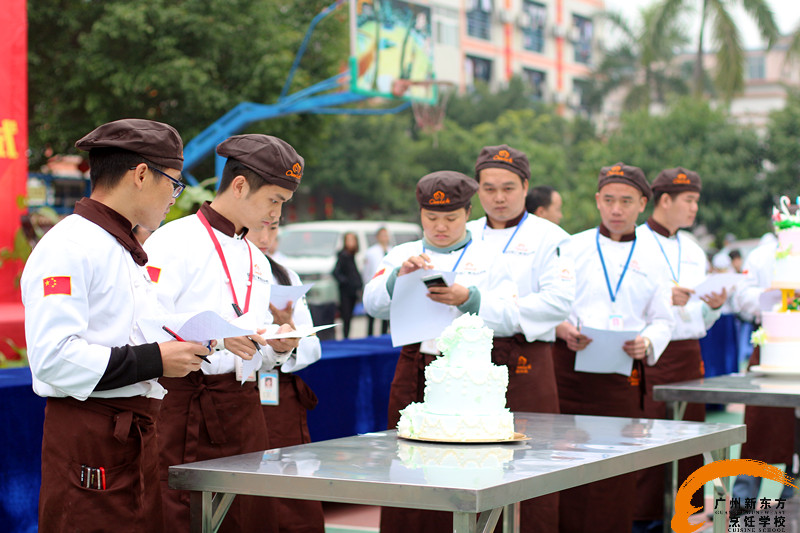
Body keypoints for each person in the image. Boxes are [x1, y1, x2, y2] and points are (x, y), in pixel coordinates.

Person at [20, 118, 210, 532]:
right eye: (174, 184)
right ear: (142, 174)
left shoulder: (121, 247)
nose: (174, 198)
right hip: (91, 433)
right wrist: (156, 359)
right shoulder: (69, 246)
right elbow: (54, 359)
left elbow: (130, 333)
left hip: (133, 432)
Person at [144, 134, 301, 533]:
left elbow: (251, 345)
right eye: (275, 200)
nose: (277, 213)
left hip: (243, 406)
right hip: (186, 408)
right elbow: (146, 323)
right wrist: (215, 338)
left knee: (250, 515)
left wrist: (276, 347)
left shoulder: (255, 255)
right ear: (240, 185)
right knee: (183, 514)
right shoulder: (172, 241)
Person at [363, 170, 522, 533]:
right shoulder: (403, 254)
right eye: (431, 218)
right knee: (406, 458)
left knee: (464, 463)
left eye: (450, 218)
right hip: (412, 366)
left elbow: (513, 315)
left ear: (468, 213)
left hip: (467, 374)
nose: (440, 227)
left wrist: (470, 298)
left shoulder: (490, 256)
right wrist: (397, 277)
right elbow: (371, 304)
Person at [553, 162, 673, 533]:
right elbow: (550, 305)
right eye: (608, 200)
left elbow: (663, 319)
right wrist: (563, 329)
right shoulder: (571, 247)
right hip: (570, 375)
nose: (616, 209)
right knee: (565, 466)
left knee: (615, 473)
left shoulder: (655, 257)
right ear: (597, 201)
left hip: (622, 379)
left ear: (642, 203)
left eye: (625, 201)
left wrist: (648, 342)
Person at [466, 144, 575, 533]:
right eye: (489, 188)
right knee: (472, 456)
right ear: (477, 189)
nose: (498, 197)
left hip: (528, 358)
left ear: (526, 187)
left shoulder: (552, 236)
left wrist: (491, 308)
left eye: (508, 188)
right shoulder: (463, 233)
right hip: (470, 359)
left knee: (535, 456)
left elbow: (558, 302)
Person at [632, 167, 727, 531]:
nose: (694, 209)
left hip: (688, 352)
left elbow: (700, 314)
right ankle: (643, 518)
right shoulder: (635, 242)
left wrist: (714, 304)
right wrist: (660, 298)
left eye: (697, 201)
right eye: (689, 201)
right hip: (651, 352)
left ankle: (685, 515)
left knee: (690, 435)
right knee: (648, 435)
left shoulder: (693, 249)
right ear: (665, 200)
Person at [248, 220, 326, 533]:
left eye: (273, 228)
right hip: (238, 389)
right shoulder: (224, 274)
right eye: (258, 228)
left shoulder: (285, 276)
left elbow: (313, 345)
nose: (265, 237)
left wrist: (290, 336)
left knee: (291, 479)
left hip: (280, 392)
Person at [730, 221, 795, 510]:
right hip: (770, 345)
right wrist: (771, 300)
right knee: (758, 422)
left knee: (794, 428)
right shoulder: (761, 255)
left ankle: (788, 495)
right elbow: (741, 297)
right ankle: (743, 496)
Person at [362, 227, 392, 336]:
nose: (385, 237)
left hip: (386, 285)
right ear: (377, 237)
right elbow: (367, 271)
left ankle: (383, 335)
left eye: (386, 235)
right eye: (382, 235)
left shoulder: (392, 250)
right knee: (371, 314)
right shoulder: (371, 252)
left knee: (385, 313)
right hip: (374, 284)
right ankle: (370, 336)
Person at [333, 232, 362, 339]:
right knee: (346, 315)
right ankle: (345, 337)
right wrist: (346, 282)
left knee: (350, 315)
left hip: (353, 291)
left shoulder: (354, 255)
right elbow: (336, 272)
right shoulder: (343, 255)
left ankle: (348, 336)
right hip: (346, 291)